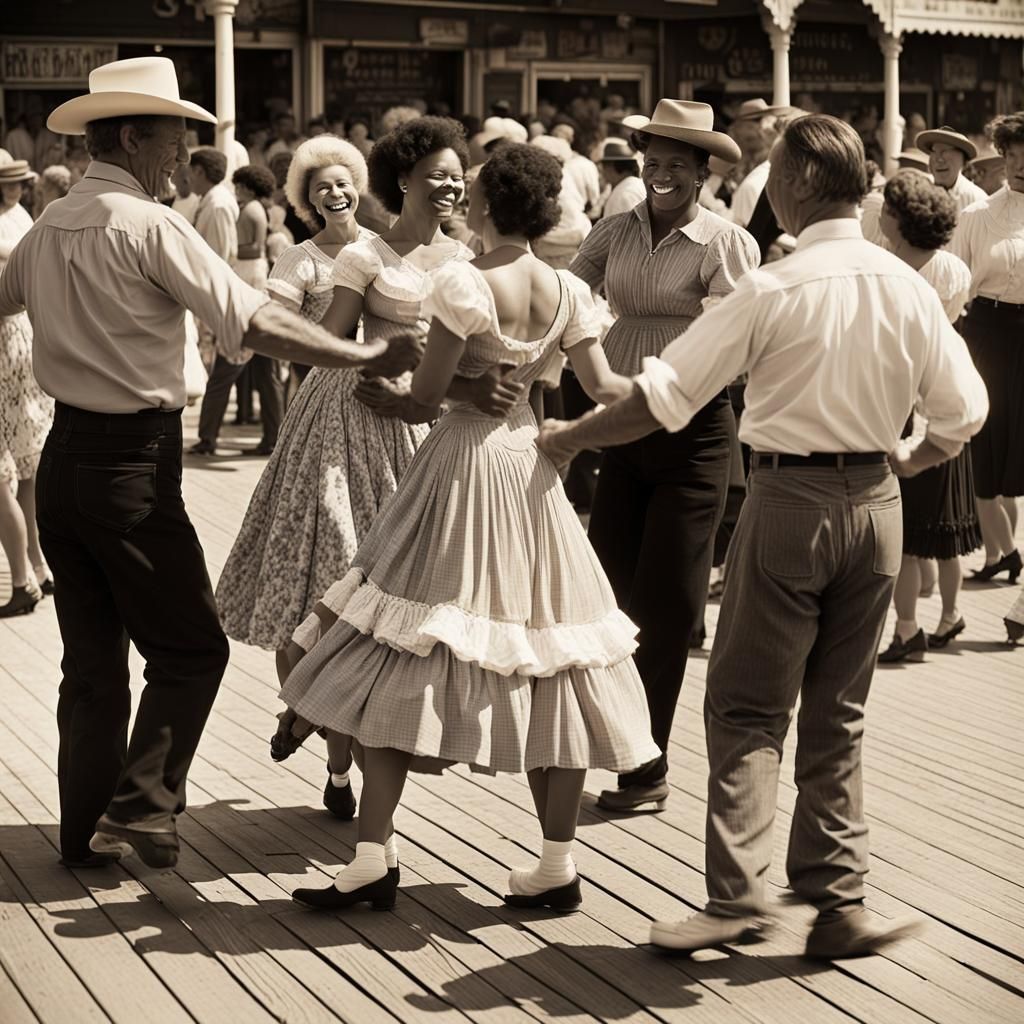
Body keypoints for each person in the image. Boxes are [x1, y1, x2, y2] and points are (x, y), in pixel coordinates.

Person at [538, 114, 988, 958]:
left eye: (776, 173)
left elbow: (663, 397)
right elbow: (963, 413)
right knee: (839, 710)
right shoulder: (904, 286)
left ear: (801, 187)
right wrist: (906, 456)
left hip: (791, 502)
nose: (768, 187)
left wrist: (569, 437)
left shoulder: (778, 286)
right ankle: (836, 899)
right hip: (876, 505)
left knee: (746, 706)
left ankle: (738, 897)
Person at [0, 56, 416, 871]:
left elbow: (1, 297)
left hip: (64, 462)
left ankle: (90, 827)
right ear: (131, 135)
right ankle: (142, 808)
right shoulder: (151, 226)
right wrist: (360, 351)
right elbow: (253, 321)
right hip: (129, 465)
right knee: (192, 648)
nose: (183, 161)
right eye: (175, 142)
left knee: (90, 666)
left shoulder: (50, 225)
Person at [279, 142, 660, 912]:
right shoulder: (565, 290)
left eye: (475, 190)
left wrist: (399, 395)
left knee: (398, 642)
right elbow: (608, 388)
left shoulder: (462, 279)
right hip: (530, 471)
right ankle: (557, 863)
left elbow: (426, 397)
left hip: (457, 468)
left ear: (487, 207)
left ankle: (372, 857)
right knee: (553, 656)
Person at [219, 119, 476, 813]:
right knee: (330, 573)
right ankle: (324, 740)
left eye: (343, 181)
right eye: (321, 185)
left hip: (424, 427)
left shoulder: (466, 254)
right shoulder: (349, 258)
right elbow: (326, 341)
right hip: (346, 413)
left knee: (396, 595)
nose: (452, 185)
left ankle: (327, 734)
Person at [568, 99, 759, 812]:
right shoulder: (615, 228)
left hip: (695, 432)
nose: (660, 175)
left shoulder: (724, 243)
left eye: (677, 165)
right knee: (608, 592)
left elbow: (729, 342)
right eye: (652, 163)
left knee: (670, 603)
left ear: (705, 173)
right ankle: (618, 740)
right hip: (620, 422)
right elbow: (567, 295)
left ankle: (647, 767)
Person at [873, 171, 980, 662]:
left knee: (911, 541)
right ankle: (948, 614)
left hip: (910, 403)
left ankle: (908, 628)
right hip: (942, 402)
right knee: (946, 536)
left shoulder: (892, 273)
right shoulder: (954, 271)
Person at [950, 113, 1024, 585]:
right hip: (986, 333)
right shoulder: (977, 216)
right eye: (1012, 154)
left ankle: (1002, 557)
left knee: (1015, 452)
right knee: (982, 440)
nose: (1020, 163)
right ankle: (1008, 552)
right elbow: (956, 284)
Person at [0, 159, 54, 617]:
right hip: (22, 339)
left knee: (7, 472)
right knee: (25, 466)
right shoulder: (22, 218)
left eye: (18, 183)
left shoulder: (18, 218)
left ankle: (22, 579)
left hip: (9, 341)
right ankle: (37, 567)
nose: (16, 190)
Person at [916, 125, 987, 212]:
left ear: (962, 160)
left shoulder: (977, 199)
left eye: (944, 152)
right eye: (934, 152)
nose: (938, 160)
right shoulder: (920, 194)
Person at [595, 138, 646, 219]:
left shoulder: (624, 194)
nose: (602, 173)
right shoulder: (635, 185)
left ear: (610, 167)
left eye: (603, 167)